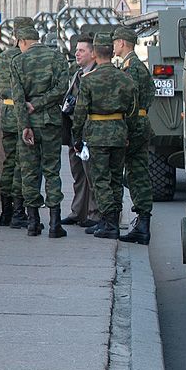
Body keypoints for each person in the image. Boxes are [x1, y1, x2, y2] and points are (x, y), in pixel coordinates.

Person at [71, 33, 136, 240]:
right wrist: (127, 131)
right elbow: (133, 109)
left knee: (100, 180)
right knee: (116, 180)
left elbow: (80, 112)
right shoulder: (125, 78)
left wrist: (76, 138)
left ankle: (109, 221)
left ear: (96, 54)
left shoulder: (89, 80)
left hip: (97, 135)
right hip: (119, 132)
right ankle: (112, 221)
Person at [10, 22, 70, 237]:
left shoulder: (18, 62)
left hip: (29, 124)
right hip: (51, 122)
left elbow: (18, 98)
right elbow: (63, 88)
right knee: (52, 170)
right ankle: (55, 224)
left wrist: (25, 124)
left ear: (23, 41)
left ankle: (33, 223)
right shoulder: (57, 58)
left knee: (29, 171)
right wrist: (42, 102)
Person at [112, 26, 155, 245]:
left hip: (134, 124)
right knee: (138, 172)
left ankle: (142, 225)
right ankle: (142, 224)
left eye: (115, 42)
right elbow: (151, 92)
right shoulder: (137, 66)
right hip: (141, 121)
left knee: (136, 174)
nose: (113, 46)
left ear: (122, 43)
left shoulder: (131, 68)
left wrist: (126, 129)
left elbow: (130, 100)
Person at [0, 17, 33, 228]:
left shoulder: (0, 59)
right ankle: (19, 211)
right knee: (22, 164)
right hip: (24, 113)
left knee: (9, 162)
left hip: (7, 113)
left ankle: (5, 212)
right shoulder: (26, 58)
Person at [60, 34, 102, 228]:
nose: (76, 53)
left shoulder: (97, 74)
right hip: (75, 133)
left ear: (93, 54)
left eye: (81, 50)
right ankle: (78, 212)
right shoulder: (78, 73)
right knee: (78, 175)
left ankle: (94, 214)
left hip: (89, 133)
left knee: (92, 175)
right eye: (76, 50)